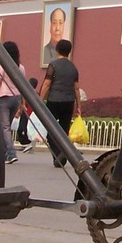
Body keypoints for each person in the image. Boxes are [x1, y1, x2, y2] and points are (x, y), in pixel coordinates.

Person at [38, 39, 80, 167]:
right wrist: (79, 106)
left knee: (51, 129)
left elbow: (46, 84)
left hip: (54, 101)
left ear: (57, 50)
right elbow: (76, 88)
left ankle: (57, 154)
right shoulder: (73, 67)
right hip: (68, 102)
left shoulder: (53, 65)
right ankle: (63, 152)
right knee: (64, 130)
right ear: (69, 51)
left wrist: (40, 100)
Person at [0, 41, 26, 164]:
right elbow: (23, 86)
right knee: (6, 127)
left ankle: (10, 153)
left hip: (4, 97)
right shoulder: (21, 68)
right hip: (16, 98)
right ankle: (4, 153)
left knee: (4, 127)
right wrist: (22, 103)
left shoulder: (2, 66)